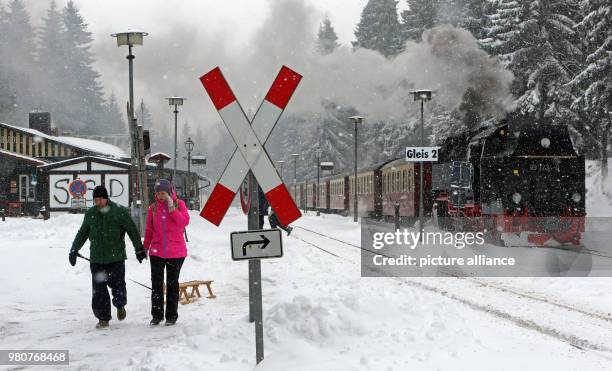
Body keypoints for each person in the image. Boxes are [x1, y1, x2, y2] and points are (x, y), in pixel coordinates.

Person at [69, 185, 147, 329]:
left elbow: (131, 229)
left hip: (115, 258)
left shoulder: (118, 211)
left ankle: (120, 305)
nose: (97, 202)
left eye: (99, 199)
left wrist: (138, 248)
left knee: (118, 287)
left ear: (105, 198)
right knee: (99, 290)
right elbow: (83, 232)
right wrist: (74, 249)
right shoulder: (91, 214)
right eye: (95, 200)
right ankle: (103, 318)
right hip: (97, 259)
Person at [143, 179, 190, 326]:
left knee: (172, 284)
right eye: (158, 193)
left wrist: (172, 208)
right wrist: (145, 247)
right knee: (156, 284)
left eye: (163, 192)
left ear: (169, 192)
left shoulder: (179, 204)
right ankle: (156, 316)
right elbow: (149, 229)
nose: (161, 195)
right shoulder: (153, 208)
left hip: (176, 252)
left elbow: (183, 222)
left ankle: (171, 316)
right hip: (156, 252)